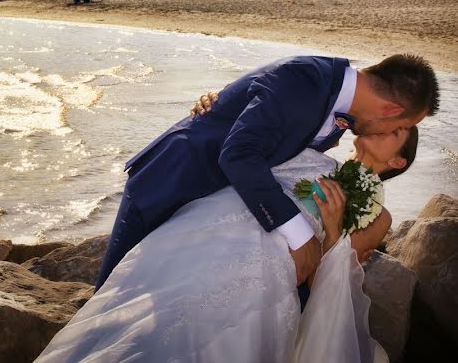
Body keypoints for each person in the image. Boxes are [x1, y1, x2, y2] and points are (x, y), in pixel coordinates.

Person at [25, 128, 417, 363]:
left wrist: (332, 226)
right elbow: (247, 144)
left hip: (269, 262)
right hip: (213, 229)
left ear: (398, 160)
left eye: (397, 130)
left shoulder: (378, 217)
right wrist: (214, 104)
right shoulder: (314, 155)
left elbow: (322, 280)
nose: (386, 125)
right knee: (145, 308)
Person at [95, 54, 439, 294]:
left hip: (212, 207)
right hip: (170, 182)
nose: (392, 131)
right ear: (392, 109)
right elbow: (240, 153)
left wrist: (233, 98)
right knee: (113, 292)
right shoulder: (305, 79)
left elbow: (271, 138)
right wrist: (300, 235)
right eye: (403, 125)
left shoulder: (340, 110)